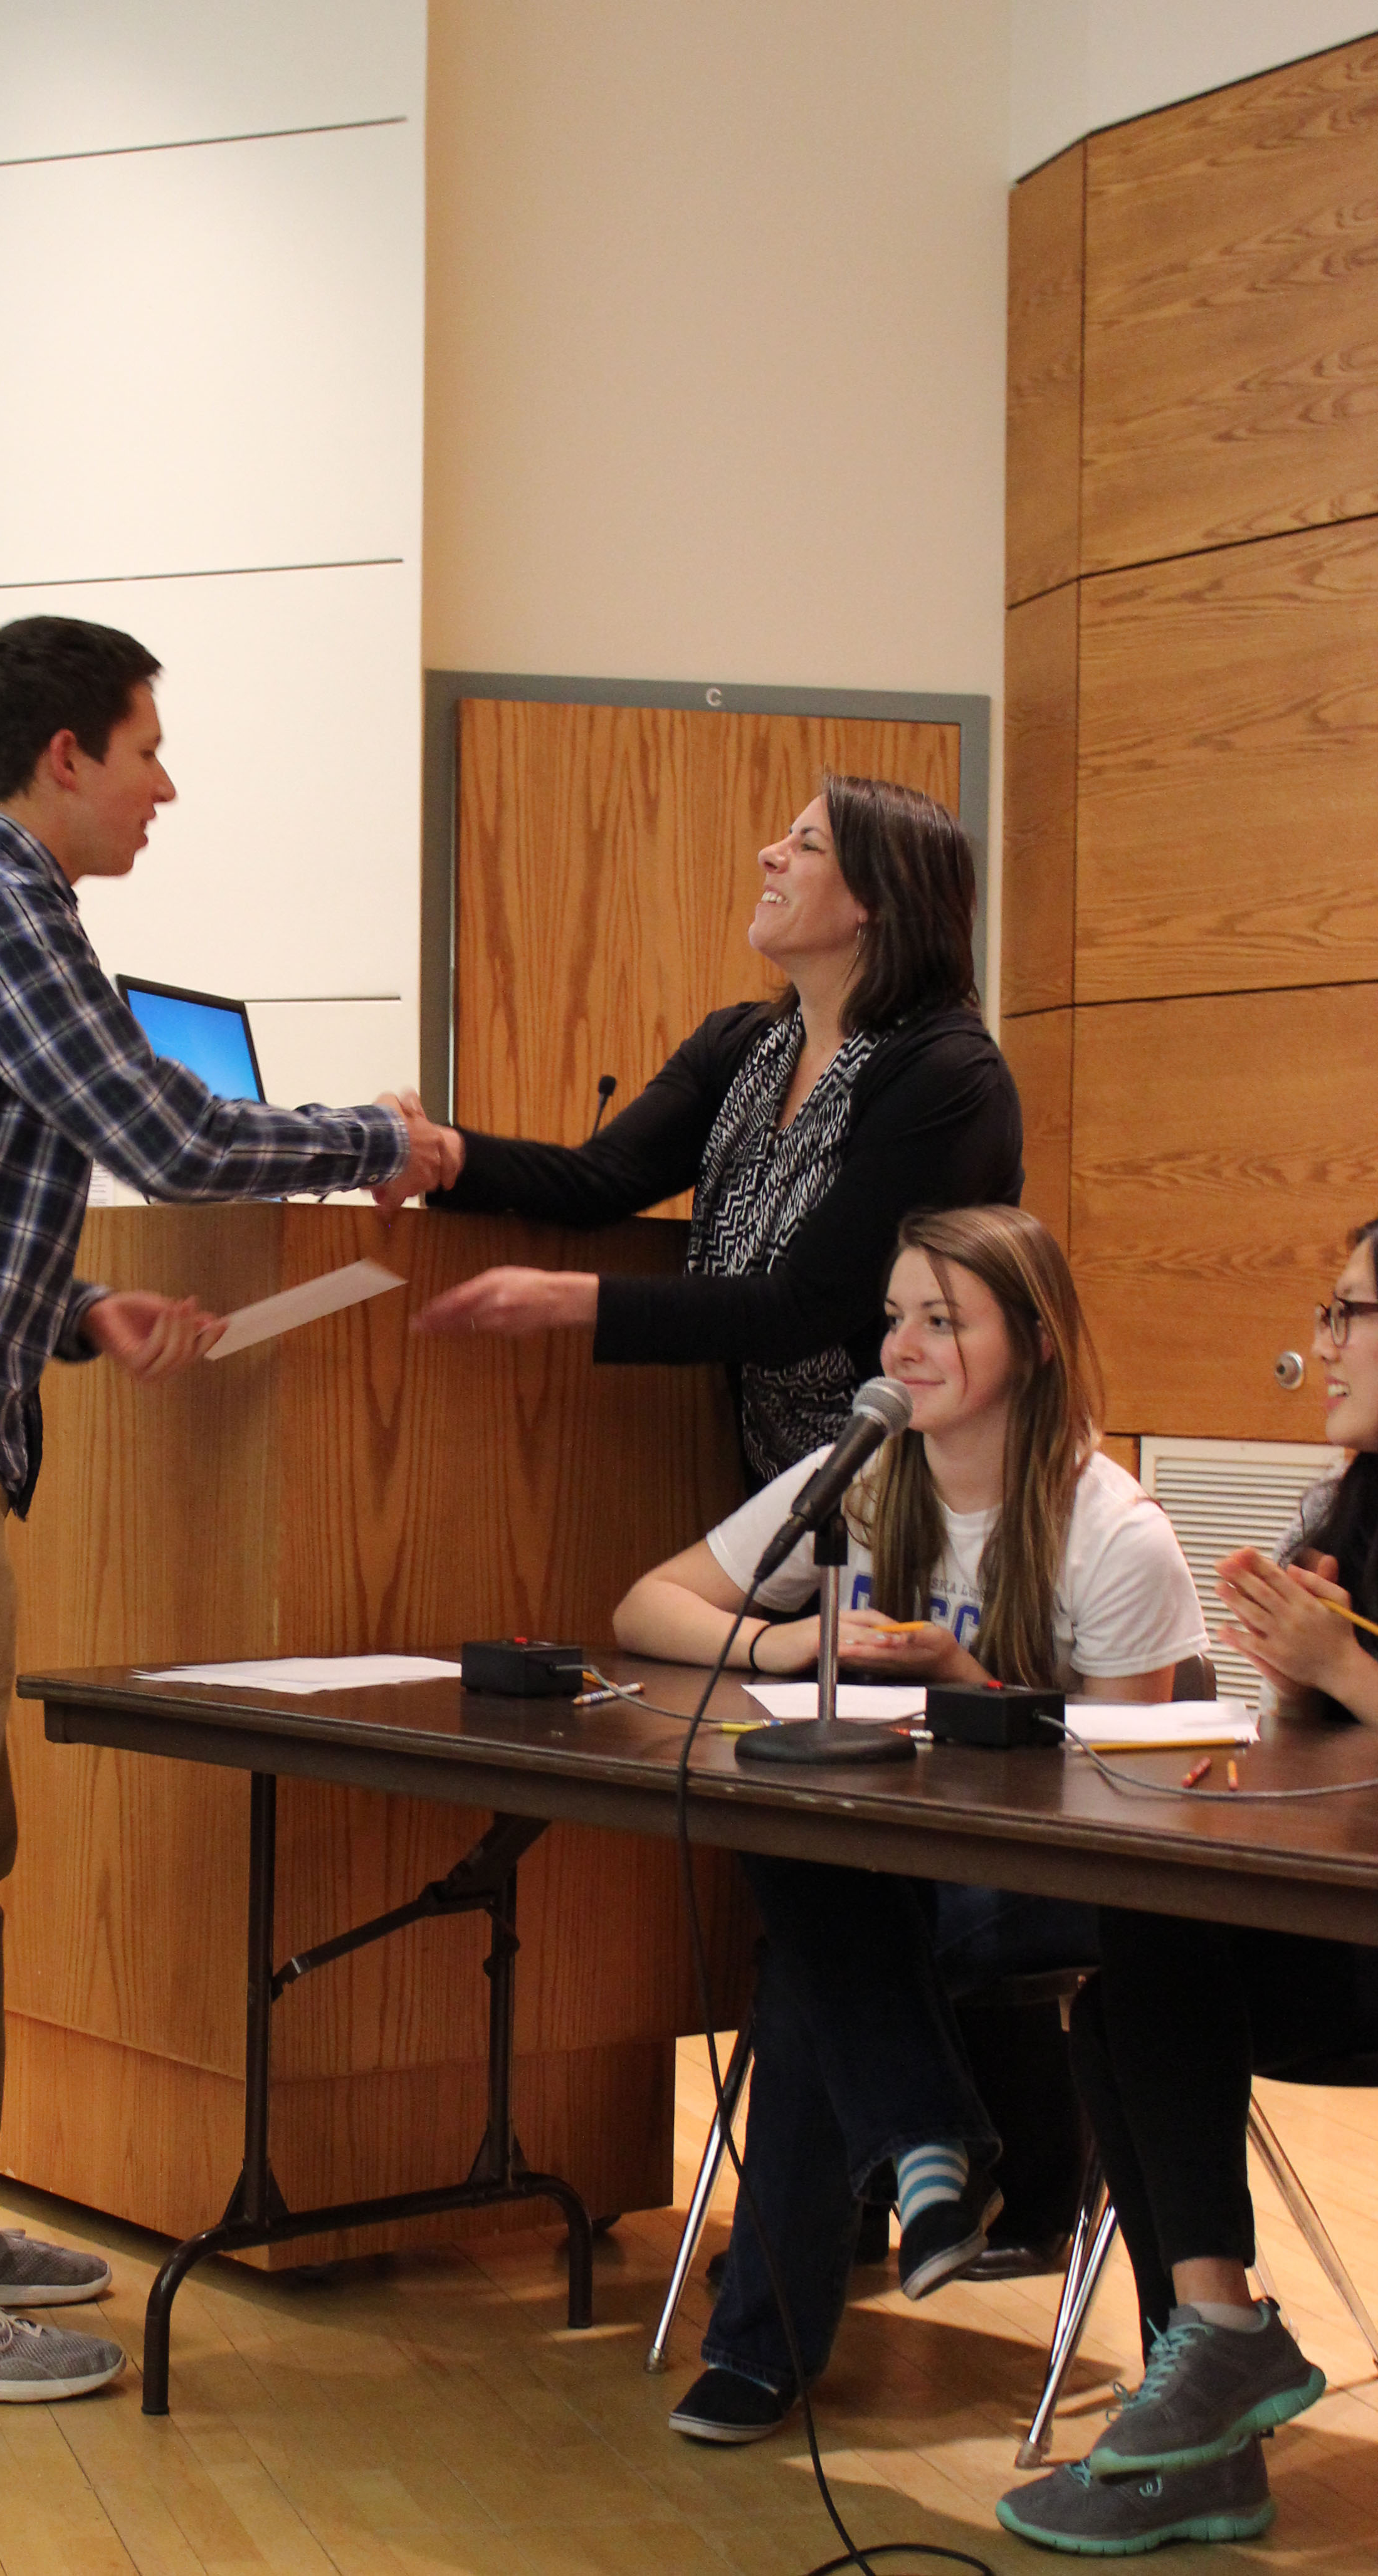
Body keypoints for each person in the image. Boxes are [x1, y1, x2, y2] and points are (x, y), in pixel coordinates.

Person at [0, 615, 437, 2402]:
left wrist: (78, 1310)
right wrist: (383, 1141)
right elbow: (173, 1138)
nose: (164, 782)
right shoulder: (1, 912)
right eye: (146, 747)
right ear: (63, 756)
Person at [611, 1206, 1207, 2444]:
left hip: (1059, 1880)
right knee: (801, 1848)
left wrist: (969, 1689)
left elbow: (1130, 1790)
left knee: (813, 1968)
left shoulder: (1114, 1531)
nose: (907, 1347)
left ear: (1034, 1345)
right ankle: (929, 2146)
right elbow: (650, 1606)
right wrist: (799, 1638)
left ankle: (768, 2348)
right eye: (896, 1318)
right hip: (902, 1872)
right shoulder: (867, 1472)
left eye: (945, 1320)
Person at [997, 1219, 1378, 2555]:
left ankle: (1212, 2360)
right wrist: (1292, 1679)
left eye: (1350, 1313)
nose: (1323, 1342)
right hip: (1346, 1939)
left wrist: (1350, 1673)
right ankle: (1210, 2397)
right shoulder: (1356, 1502)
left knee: (1148, 1948)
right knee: (1131, 1964)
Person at [385, 775, 1023, 1487]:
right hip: (778, 1474)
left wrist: (569, 1300)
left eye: (805, 844)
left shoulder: (947, 1076)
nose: (768, 854)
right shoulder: (740, 1044)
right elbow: (603, 1179)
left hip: (927, 1483)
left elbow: (805, 1307)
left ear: (876, 899)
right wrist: (444, 1156)